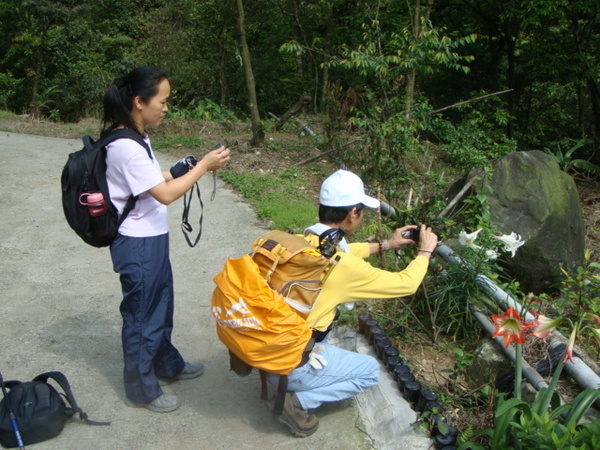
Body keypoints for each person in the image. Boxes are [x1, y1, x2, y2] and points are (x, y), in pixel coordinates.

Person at [269, 169, 438, 437]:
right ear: (352, 214)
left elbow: (345, 250)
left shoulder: (303, 241)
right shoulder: (343, 268)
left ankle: (280, 381)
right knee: (369, 372)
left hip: (266, 347)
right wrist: (425, 251)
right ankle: (292, 401)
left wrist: (386, 244)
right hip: (291, 364)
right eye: (362, 211)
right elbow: (406, 283)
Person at [101, 66, 230, 413]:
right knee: (143, 316)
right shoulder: (125, 145)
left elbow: (150, 180)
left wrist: (177, 170)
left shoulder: (136, 135)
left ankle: (166, 364)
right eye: (163, 100)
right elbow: (165, 195)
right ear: (139, 102)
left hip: (150, 239)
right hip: (137, 244)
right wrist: (202, 167)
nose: (167, 107)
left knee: (160, 305)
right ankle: (142, 391)